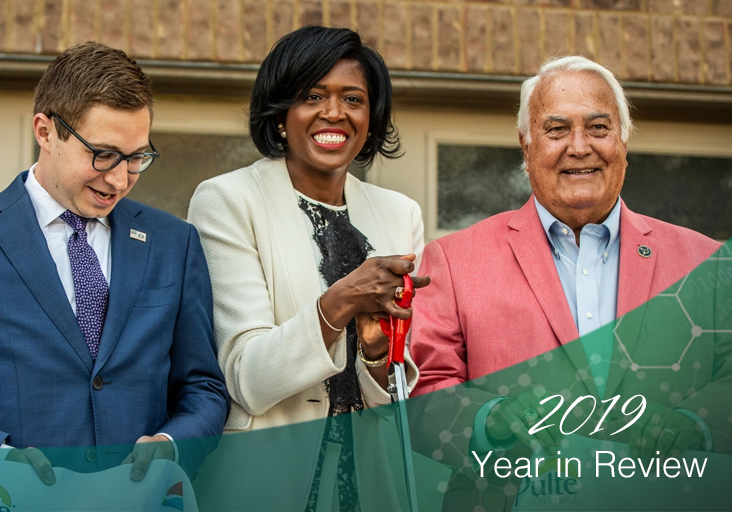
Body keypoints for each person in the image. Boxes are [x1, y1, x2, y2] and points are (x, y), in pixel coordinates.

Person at [0, 41, 229, 482]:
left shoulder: (175, 242)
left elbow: (205, 387)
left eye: (136, 158)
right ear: (45, 131)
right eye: (102, 154)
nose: (119, 179)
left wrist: (173, 446)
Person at [409, 56, 726, 511]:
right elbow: (421, 390)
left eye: (598, 127)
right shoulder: (454, 261)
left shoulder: (705, 263)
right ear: (526, 144)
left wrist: (695, 423)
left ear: (623, 141)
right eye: (557, 130)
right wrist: (488, 420)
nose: (580, 147)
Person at [187, 26, 428, 511]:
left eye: (352, 98)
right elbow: (245, 378)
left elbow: (396, 406)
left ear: (370, 118)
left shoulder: (401, 214)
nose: (334, 112)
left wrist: (380, 357)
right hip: (264, 484)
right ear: (281, 115)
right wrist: (339, 303)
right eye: (312, 95)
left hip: (370, 484)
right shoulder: (228, 202)